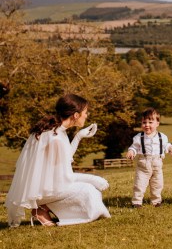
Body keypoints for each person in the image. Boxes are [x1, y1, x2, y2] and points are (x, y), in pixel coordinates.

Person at [6, 93, 111, 227]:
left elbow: (64, 159)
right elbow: (65, 177)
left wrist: (78, 137)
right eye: (85, 112)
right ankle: (42, 208)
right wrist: (93, 179)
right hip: (44, 191)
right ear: (76, 115)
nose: (87, 115)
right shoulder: (55, 137)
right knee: (89, 190)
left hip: (44, 187)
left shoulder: (55, 131)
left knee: (90, 189)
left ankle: (43, 208)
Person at [126, 107, 172, 207]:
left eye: (150, 122)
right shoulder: (139, 137)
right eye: (144, 122)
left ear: (157, 123)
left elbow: (166, 145)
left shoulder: (162, 137)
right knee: (139, 184)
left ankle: (156, 201)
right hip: (143, 164)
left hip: (157, 164)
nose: (147, 125)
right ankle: (137, 202)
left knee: (157, 184)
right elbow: (134, 147)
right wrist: (131, 151)